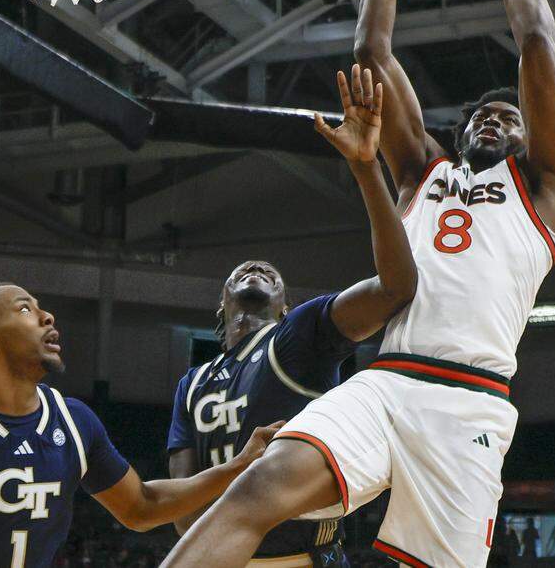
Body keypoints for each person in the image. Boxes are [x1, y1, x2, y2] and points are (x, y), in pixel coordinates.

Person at [163, 0, 555, 568]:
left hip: (469, 402)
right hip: (385, 381)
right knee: (253, 489)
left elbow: (537, 40)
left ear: (526, 137)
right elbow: (371, 54)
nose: (491, 119)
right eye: (479, 114)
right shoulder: (424, 169)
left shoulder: (546, 190)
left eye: (506, 115)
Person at [0, 283, 281, 568]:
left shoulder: (74, 420)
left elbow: (142, 506)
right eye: (26, 309)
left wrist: (236, 466)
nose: (47, 317)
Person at [167, 66, 418, 566]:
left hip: (306, 555)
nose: (258, 267)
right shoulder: (192, 384)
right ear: (222, 304)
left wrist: (367, 167)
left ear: (284, 306)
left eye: (273, 274)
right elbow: (179, 501)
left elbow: (396, 287)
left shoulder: (299, 334)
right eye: (244, 268)